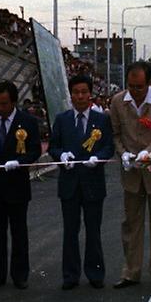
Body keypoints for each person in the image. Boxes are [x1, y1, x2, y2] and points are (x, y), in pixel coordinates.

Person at [110, 62, 151, 289]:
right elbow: (116, 134)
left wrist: (148, 152)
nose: (135, 91)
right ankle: (131, 272)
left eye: (139, 87)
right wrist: (124, 154)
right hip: (131, 173)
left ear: (148, 83)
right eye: (131, 86)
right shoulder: (118, 101)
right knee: (131, 224)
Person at [48, 75, 115, 290]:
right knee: (70, 231)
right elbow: (53, 147)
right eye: (76, 92)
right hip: (69, 184)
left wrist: (99, 158)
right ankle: (70, 275)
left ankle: (95, 273)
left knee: (93, 231)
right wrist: (61, 156)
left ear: (90, 94)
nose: (80, 96)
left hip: (93, 183)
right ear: (71, 94)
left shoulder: (102, 119)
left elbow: (108, 147)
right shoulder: (62, 119)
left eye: (84, 92)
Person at [0, 80, 41, 290]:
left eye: (4, 104)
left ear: (13, 102)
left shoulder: (28, 122)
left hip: (16, 185)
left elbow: (35, 150)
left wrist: (20, 162)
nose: (0, 108)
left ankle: (20, 274)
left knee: (19, 233)